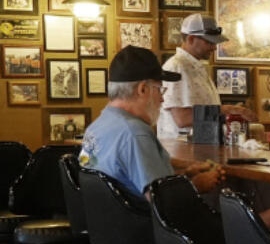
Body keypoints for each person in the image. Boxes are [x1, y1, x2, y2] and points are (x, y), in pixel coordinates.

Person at [79, 46, 223, 198]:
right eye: (160, 90)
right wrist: (197, 185)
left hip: (104, 219)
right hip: (139, 221)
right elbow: (161, 200)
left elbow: (133, 177)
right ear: (142, 89)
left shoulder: (97, 127)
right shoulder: (135, 133)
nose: (162, 99)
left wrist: (185, 174)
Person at [157, 14, 256, 139]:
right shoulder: (177, 67)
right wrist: (229, 110)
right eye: (209, 42)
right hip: (183, 151)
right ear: (191, 39)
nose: (214, 47)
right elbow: (183, 119)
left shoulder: (194, 66)